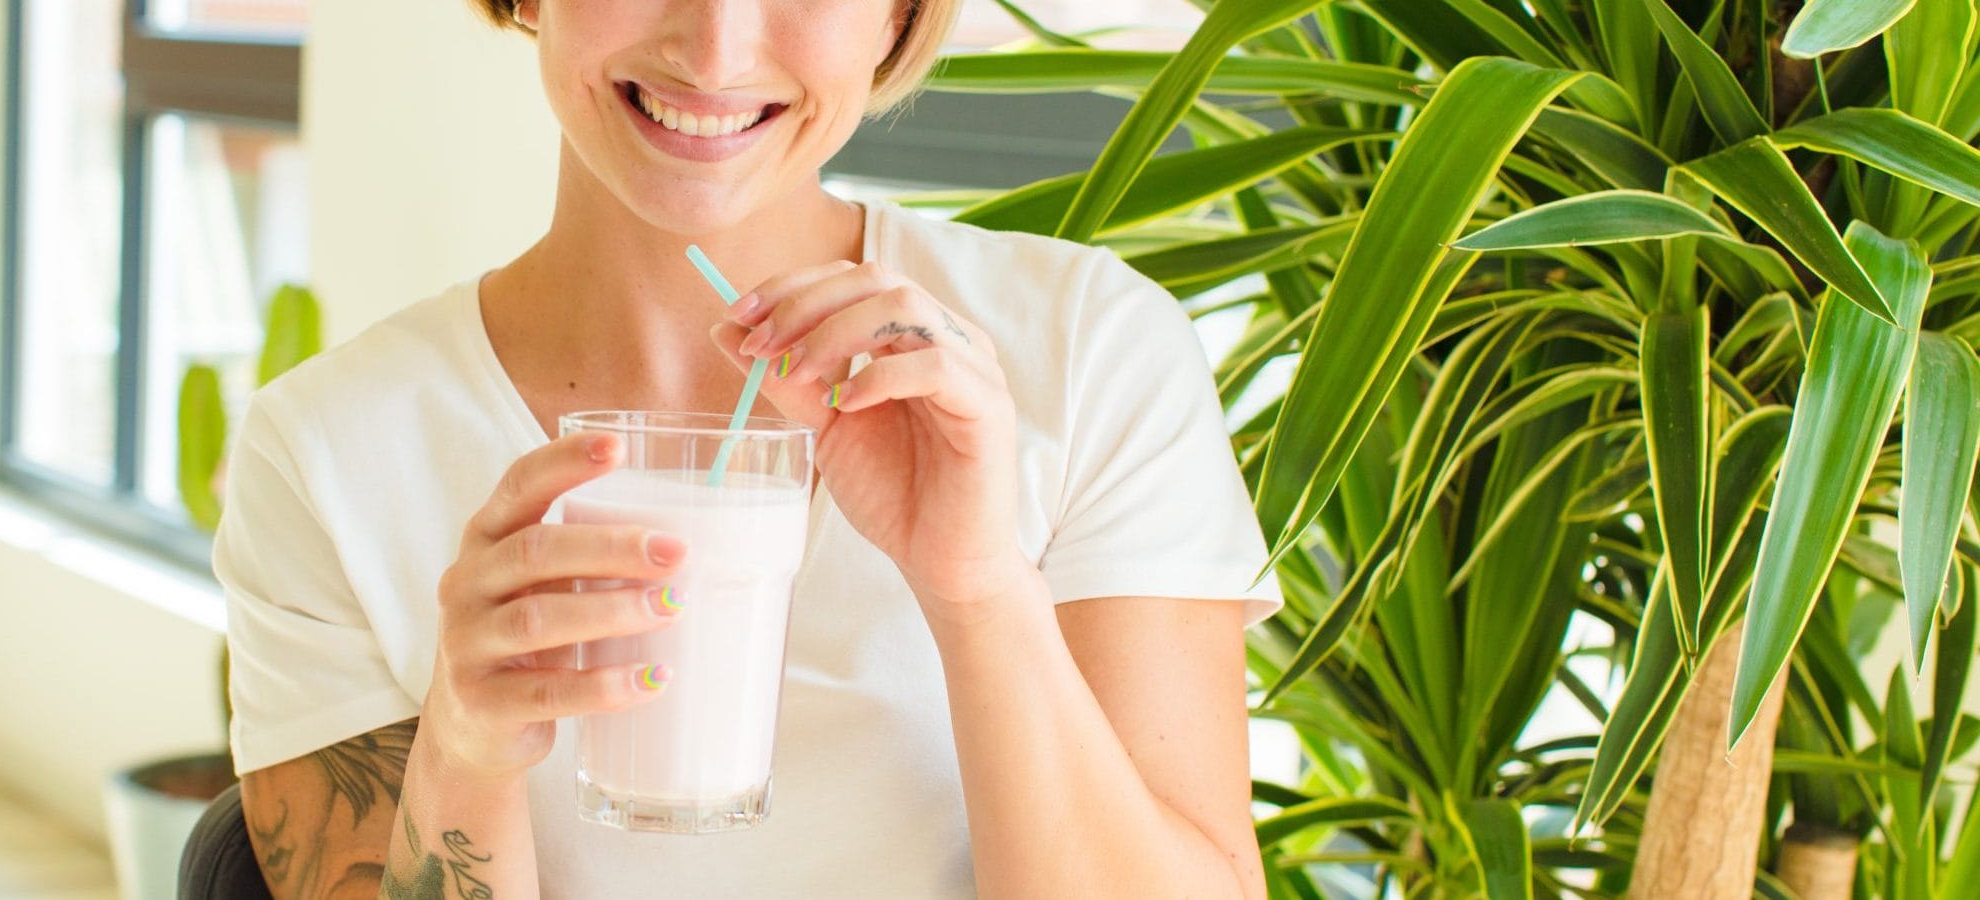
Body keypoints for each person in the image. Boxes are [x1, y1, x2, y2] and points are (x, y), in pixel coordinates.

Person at [214, 1, 1283, 896]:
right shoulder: (324, 454)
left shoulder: (1085, 350)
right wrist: (463, 756)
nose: (715, 50)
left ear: (898, 16)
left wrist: (980, 591)